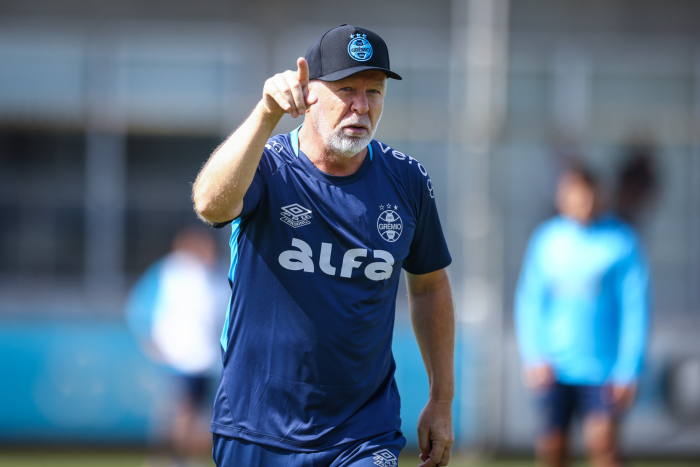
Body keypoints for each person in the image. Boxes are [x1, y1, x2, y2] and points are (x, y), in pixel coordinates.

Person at [192, 24, 454, 467]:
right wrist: (265, 114)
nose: (361, 106)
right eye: (346, 89)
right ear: (308, 92)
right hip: (256, 426)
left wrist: (441, 399)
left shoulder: (407, 180)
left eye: (374, 91)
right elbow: (209, 205)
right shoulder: (268, 166)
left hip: (363, 431)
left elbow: (430, 286)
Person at [515, 167, 651, 467]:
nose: (580, 203)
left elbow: (635, 310)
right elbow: (529, 302)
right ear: (561, 197)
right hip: (555, 368)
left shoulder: (621, 241)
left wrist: (629, 370)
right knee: (552, 448)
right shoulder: (546, 240)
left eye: (586, 197)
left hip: (603, 370)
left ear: (598, 197)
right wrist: (533, 356)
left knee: (603, 446)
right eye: (573, 196)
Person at [126, 227, 227, 463]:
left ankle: (185, 458)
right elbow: (139, 307)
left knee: (202, 413)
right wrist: (151, 342)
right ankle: (170, 458)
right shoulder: (170, 271)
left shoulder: (220, 273)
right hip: (179, 356)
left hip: (210, 358)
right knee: (180, 409)